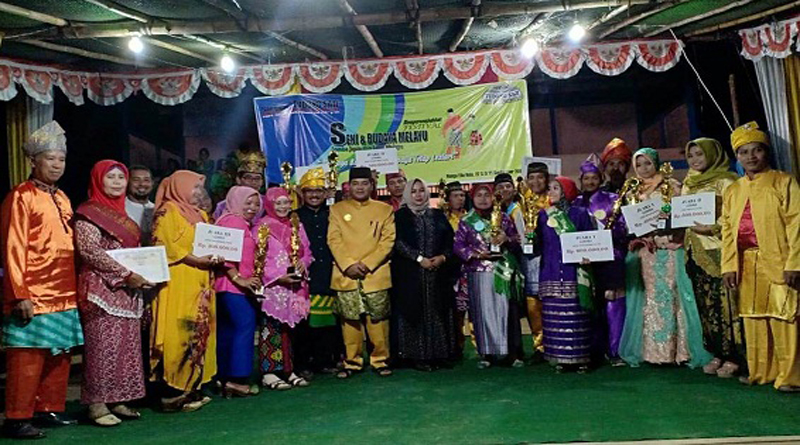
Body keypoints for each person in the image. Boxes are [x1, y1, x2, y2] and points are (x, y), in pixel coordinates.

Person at [1, 122, 85, 440]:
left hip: (65, 290)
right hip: (34, 292)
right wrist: (18, 294)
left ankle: (48, 408)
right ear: (33, 161)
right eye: (50, 158)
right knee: (28, 356)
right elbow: (12, 247)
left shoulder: (62, 197)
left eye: (61, 159)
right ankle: (17, 417)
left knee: (59, 354)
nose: (56, 165)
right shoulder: (20, 196)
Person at [722, 122, 800, 392]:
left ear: (766, 152)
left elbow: (796, 223)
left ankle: (790, 377)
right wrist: (728, 266)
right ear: (737, 156)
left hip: (780, 261)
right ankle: (761, 373)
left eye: (757, 150)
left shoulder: (783, 181)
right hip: (746, 263)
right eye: (744, 152)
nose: (751, 157)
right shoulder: (733, 190)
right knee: (753, 317)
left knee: (784, 317)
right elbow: (727, 230)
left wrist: (795, 263)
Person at [75, 160, 153, 426]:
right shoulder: (88, 213)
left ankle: (117, 399)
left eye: (121, 177)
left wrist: (142, 273)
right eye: (111, 177)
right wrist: (127, 274)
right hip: (100, 288)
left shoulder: (123, 215)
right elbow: (90, 251)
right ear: (98, 180)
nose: (117, 182)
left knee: (125, 346)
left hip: (126, 291)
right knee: (102, 347)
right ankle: (97, 404)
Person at [618, 148, 712, 368]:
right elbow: (628, 224)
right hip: (646, 254)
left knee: (672, 295)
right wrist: (638, 239)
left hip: (669, 250)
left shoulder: (672, 186)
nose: (643, 169)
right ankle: (654, 352)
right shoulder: (632, 191)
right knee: (649, 298)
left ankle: (679, 351)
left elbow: (683, 217)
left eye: (648, 163)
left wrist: (670, 234)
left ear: (657, 163)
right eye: (639, 164)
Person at [150, 170, 221, 412]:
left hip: (201, 281)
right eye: (194, 187)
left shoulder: (201, 214)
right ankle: (172, 393)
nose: (199, 192)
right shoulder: (167, 212)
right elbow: (162, 246)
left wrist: (217, 255)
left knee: (199, 331)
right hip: (178, 281)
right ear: (180, 187)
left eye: (200, 188)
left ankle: (192, 387)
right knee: (178, 333)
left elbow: (211, 243)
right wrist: (195, 259)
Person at [682, 138, 744, 378]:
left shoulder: (727, 181)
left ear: (713, 153)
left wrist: (713, 228)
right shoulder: (688, 182)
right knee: (706, 305)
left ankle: (735, 355)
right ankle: (717, 352)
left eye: (700, 154)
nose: (695, 159)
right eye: (691, 155)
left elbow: (735, 214)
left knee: (727, 304)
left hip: (718, 249)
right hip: (694, 251)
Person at [328, 167, 396, 378]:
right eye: (355, 183)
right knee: (350, 322)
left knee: (378, 321)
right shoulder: (337, 210)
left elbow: (388, 241)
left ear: (372, 185)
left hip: (375, 273)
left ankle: (380, 360)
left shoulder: (384, 210)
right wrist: (348, 264)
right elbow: (334, 239)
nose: (360, 188)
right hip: (345, 273)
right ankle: (352, 362)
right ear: (348, 186)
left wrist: (367, 264)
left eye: (364, 183)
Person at [454, 184, 524, 369]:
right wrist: (477, 255)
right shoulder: (466, 221)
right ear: (472, 198)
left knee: (508, 312)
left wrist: (507, 239)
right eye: (479, 195)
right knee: (482, 313)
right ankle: (487, 355)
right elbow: (458, 246)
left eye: (487, 194)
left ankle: (512, 354)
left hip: (503, 270)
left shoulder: (504, 218)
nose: (483, 198)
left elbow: (516, 240)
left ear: (493, 197)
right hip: (478, 272)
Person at [391, 178, 457, 371]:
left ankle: (440, 354)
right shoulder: (400, 216)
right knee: (414, 313)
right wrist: (419, 259)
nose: (418, 195)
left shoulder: (437, 215)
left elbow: (450, 240)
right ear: (407, 194)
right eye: (413, 191)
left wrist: (442, 257)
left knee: (438, 311)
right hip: (410, 275)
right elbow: (397, 242)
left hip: (437, 275)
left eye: (421, 190)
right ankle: (417, 356)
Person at [572, 154, 628, 366]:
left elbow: (624, 228)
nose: (590, 182)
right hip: (586, 262)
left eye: (594, 178)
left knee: (613, 304)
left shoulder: (613, 200)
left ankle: (615, 350)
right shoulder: (576, 203)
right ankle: (594, 350)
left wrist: (608, 235)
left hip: (611, 259)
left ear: (601, 178)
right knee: (591, 306)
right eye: (586, 178)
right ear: (581, 181)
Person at [256, 187, 313, 389]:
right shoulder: (261, 227)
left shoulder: (296, 225)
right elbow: (257, 259)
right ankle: (270, 372)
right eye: (278, 203)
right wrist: (279, 277)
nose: (283, 207)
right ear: (269, 204)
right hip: (274, 288)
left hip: (295, 287)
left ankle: (289, 370)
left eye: (286, 202)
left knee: (292, 331)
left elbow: (307, 251)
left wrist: (303, 263)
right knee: (271, 330)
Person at [537, 176, 595, 372]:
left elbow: (590, 239)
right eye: (549, 188)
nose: (550, 192)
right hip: (551, 272)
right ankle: (560, 359)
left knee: (577, 317)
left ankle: (581, 359)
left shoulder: (580, 213)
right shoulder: (543, 216)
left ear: (566, 191)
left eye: (556, 188)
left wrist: (589, 256)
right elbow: (539, 244)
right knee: (555, 317)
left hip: (575, 273)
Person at [294, 168, 343, 377]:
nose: (314, 195)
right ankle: (304, 363)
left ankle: (326, 360)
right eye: (309, 191)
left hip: (329, 272)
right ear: (302, 194)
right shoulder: (294, 217)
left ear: (325, 193)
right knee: (305, 323)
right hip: (305, 276)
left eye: (318, 191)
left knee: (329, 322)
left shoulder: (333, 215)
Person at [214, 186, 263, 397]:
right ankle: (238, 379)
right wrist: (238, 278)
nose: (253, 208)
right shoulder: (234, 221)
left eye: (256, 204)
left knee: (228, 330)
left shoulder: (232, 221)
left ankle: (224, 377)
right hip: (232, 286)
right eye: (248, 203)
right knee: (245, 326)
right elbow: (225, 253)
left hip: (225, 287)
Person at [523, 162, 551, 357]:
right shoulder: (521, 203)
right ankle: (539, 345)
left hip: (552, 255)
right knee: (532, 302)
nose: (536, 181)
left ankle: (556, 342)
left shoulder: (554, 198)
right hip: (529, 257)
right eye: (531, 177)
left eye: (540, 177)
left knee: (551, 299)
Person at [443, 181, 471, 354]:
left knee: (474, 309)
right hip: (452, 270)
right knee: (456, 311)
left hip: (471, 267)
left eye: (462, 195)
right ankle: (456, 346)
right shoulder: (443, 219)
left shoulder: (471, 217)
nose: (460, 199)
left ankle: (481, 347)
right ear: (448, 199)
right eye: (455, 196)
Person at [213, 151, 267, 220]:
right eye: (248, 178)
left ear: (262, 182)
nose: (253, 182)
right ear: (238, 180)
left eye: (257, 178)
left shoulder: (268, 204)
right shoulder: (223, 206)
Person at [125, 165, 155, 244]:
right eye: (136, 180)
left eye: (146, 180)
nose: (142, 184)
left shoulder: (157, 209)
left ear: (152, 183)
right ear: (127, 182)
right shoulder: (120, 209)